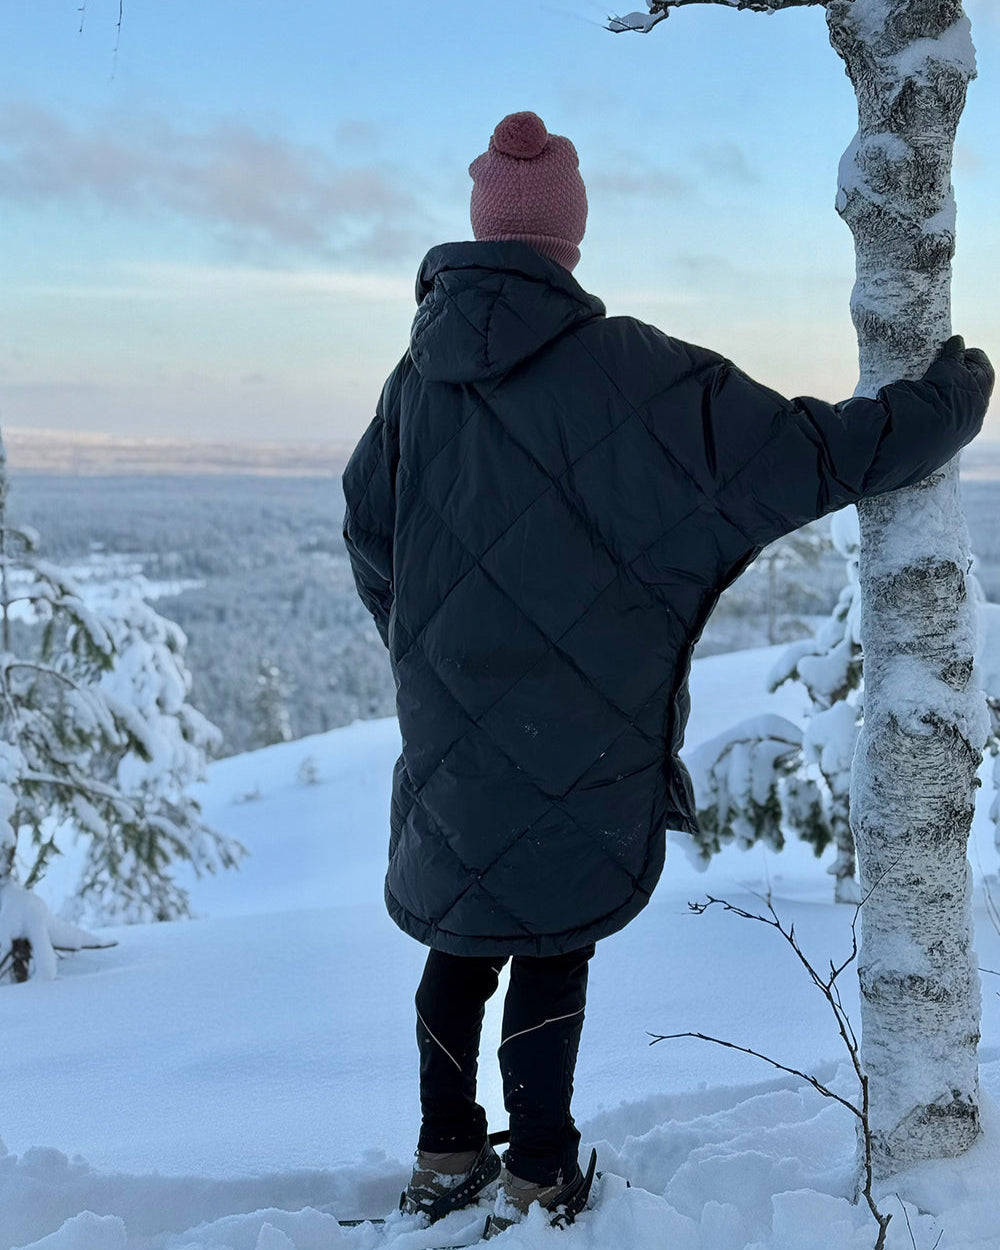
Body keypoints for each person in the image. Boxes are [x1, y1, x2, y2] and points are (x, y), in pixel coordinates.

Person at [342, 110, 994, 1235]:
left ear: (482, 230)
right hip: (581, 718)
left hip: (450, 713)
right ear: (569, 237)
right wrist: (947, 401)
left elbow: (368, 530)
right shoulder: (631, 372)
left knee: (462, 930)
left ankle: (444, 1151)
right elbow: (806, 451)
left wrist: (428, 650)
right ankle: (539, 1169)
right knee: (551, 939)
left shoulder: (416, 380)